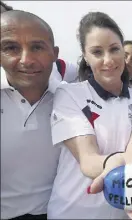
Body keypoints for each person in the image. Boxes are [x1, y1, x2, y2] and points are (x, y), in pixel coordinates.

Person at [47, 11, 132, 219]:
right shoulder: (68, 94)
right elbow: (87, 160)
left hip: (123, 210)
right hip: (71, 211)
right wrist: (116, 161)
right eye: (97, 52)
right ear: (85, 56)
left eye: (114, 49)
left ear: (123, 50)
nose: (108, 60)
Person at [1, 10, 62, 220]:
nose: (26, 60)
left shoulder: (73, 101)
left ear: (55, 53)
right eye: (11, 48)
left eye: (37, 47)